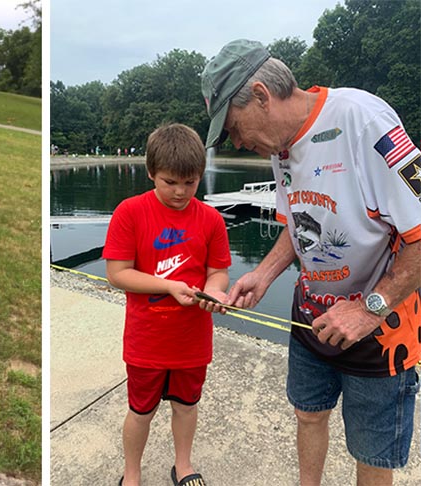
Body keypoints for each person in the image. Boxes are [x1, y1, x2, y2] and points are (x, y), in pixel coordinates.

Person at [201, 39, 421, 485]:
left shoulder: (364, 120)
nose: (238, 143)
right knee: (307, 416)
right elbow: (298, 224)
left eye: (234, 127)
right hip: (310, 319)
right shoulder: (280, 150)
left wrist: (367, 309)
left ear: (261, 95)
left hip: (381, 329)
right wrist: (262, 275)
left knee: (370, 451)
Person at [103, 123, 231, 486]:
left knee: (186, 406)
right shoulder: (130, 212)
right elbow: (118, 273)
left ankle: (184, 465)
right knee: (140, 412)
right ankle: (132, 473)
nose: (180, 192)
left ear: (200, 176)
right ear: (150, 173)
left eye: (189, 183)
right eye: (170, 182)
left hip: (192, 341)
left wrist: (215, 292)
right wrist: (169, 286)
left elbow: (218, 271)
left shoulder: (210, 219)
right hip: (146, 341)